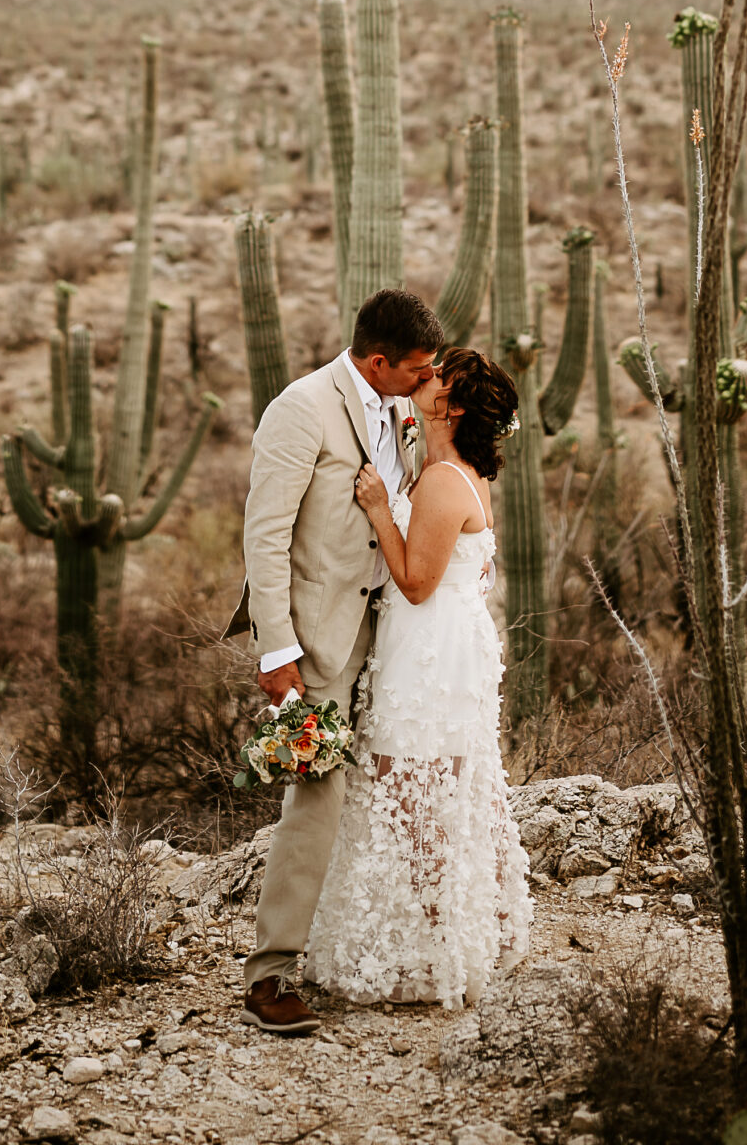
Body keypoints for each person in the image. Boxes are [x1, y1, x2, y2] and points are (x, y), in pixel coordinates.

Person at [233, 287, 443, 1035]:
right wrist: (275, 647)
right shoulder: (300, 407)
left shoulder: (403, 407)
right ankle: (270, 975)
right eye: (417, 371)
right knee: (315, 794)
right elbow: (265, 536)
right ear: (378, 362)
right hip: (318, 638)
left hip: (393, 635)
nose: (428, 382)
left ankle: (356, 946)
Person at [303, 345, 532, 1010]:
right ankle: (481, 931)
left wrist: (378, 507)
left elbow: (416, 581)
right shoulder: (441, 468)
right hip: (446, 641)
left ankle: (440, 948)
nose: (423, 378)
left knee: (415, 795)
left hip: (430, 644)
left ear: (452, 406)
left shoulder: (439, 480)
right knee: (453, 787)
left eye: (437, 377)